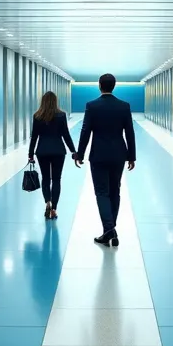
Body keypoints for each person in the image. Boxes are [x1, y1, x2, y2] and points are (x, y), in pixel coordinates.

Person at [73, 73, 136, 246]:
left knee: (101, 192)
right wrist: (131, 156)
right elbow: (129, 133)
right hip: (119, 155)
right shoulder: (124, 106)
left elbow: (85, 131)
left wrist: (80, 154)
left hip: (98, 155)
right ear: (113, 86)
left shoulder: (92, 106)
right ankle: (111, 229)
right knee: (115, 191)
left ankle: (109, 229)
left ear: (100, 85)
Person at [28, 90, 76, 220]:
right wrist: (73, 151)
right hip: (58, 151)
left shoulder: (37, 116)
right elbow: (66, 135)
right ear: (55, 102)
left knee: (45, 178)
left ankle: (47, 202)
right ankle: (54, 209)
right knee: (56, 179)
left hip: (42, 151)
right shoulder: (61, 115)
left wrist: (30, 154)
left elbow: (34, 137)